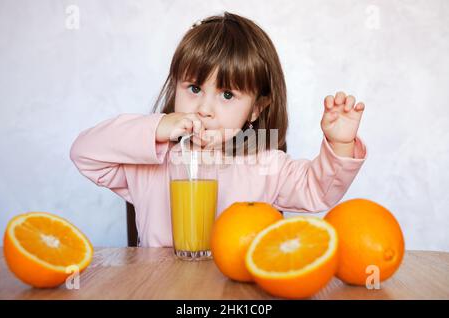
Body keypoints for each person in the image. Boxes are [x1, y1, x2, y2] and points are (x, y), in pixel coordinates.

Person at [70, 12, 367, 247]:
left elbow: (318, 191)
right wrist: (156, 128)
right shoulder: (149, 162)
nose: (204, 108)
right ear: (176, 88)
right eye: (194, 88)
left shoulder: (266, 165)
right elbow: (85, 153)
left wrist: (339, 144)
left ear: (255, 109)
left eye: (227, 95)